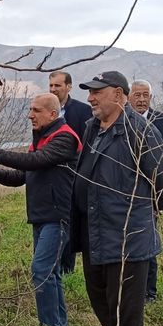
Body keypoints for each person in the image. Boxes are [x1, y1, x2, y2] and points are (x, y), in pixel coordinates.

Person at [73, 71, 163, 326]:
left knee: (125, 300)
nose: (90, 98)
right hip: (95, 226)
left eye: (97, 92)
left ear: (118, 95)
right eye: (90, 92)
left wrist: (148, 211)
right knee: (98, 290)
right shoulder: (92, 127)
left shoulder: (138, 129)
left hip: (128, 229)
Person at [0, 93, 81, 326]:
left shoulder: (65, 138)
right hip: (41, 217)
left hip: (57, 217)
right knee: (50, 273)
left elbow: (34, 161)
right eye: (30, 109)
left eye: (36, 110)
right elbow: (23, 175)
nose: (30, 115)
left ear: (52, 114)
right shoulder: (42, 139)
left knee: (41, 270)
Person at [129, 79, 163, 303]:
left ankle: (149, 291)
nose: (141, 100)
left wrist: (158, 196)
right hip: (125, 193)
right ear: (128, 97)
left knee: (147, 242)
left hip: (151, 194)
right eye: (137, 95)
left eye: (145, 95)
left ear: (151, 98)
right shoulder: (122, 120)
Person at [48, 71, 93, 274]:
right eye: (51, 85)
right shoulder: (45, 109)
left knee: (71, 220)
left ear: (69, 87)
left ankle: (67, 268)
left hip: (74, 176)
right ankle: (53, 264)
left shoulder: (83, 111)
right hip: (51, 177)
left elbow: (88, 143)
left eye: (57, 85)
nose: (53, 89)